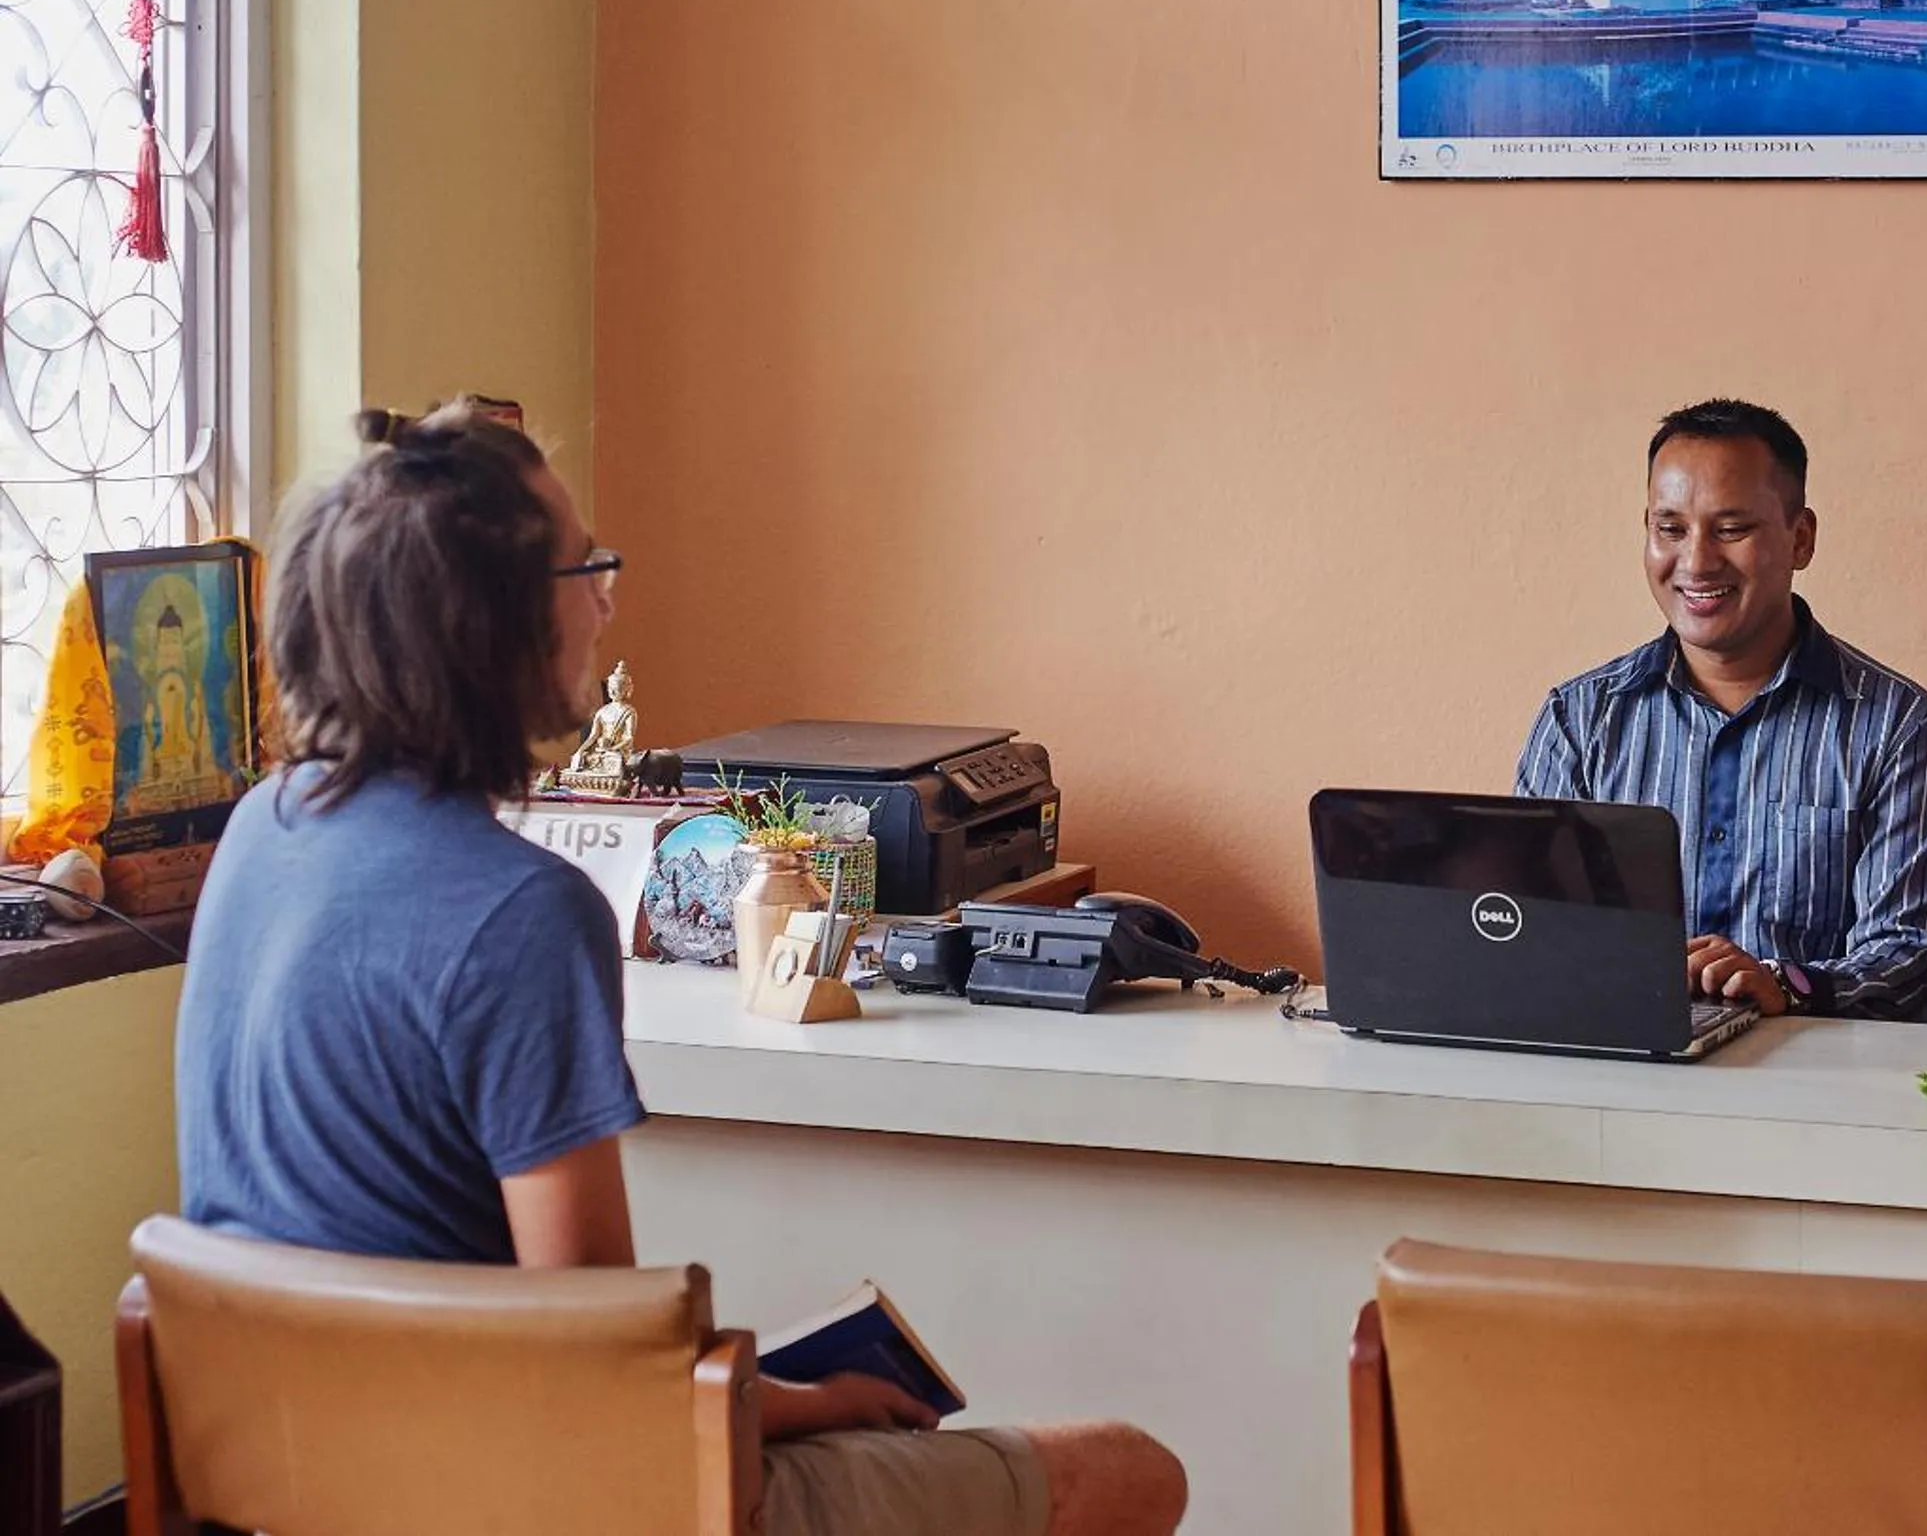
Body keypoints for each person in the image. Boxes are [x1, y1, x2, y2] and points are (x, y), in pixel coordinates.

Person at [174, 401, 1185, 1536]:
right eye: (582, 567)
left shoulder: (262, 828)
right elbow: (596, 1366)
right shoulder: (520, 911)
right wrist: (793, 1405)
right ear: (492, 625)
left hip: (304, 1482)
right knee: (1131, 1472)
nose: (607, 597)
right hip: (516, 1495)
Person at [1516, 399, 1927, 1019]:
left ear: (1800, 538)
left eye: (1731, 529)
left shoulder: (1898, 725)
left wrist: (1784, 984)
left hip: (1807, 1084)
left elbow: (1910, 955)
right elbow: (1526, 928)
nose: (1696, 562)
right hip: (1612, 1075)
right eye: (1669, 529)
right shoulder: (1578, 719)